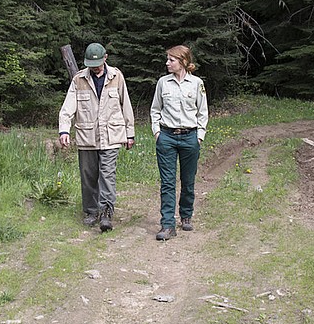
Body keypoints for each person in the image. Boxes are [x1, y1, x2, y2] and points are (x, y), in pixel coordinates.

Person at [58, 42, 135, 231]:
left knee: (107, 175)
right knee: (88, 176)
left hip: (111, 135)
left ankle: (106, 213)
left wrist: (130, 132)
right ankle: (91, 211)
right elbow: (68, 108)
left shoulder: (117, 77)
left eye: (98, 64)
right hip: (87, 137)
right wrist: (64, 130)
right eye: (91, 65)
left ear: (105, 58)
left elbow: (126, 104)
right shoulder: (78, 79)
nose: (94, 68)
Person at [150, 45, 208, 241]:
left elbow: (203, 112)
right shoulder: (163, 83)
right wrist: (157, 132)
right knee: (167, 182)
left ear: (182, 62)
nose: (167, 63)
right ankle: (167, 224)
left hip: (190, 137)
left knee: (188, 180)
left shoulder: (197, 83)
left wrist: (199, 136)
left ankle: (186, 215)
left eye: (171, 60)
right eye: (167, 59)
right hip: (166, 137)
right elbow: (155, 109)